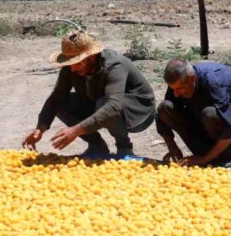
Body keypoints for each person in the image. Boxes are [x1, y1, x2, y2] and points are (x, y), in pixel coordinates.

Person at [22, 30, 156, 156]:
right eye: (70, 64)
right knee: (62, 104)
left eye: (77, 63)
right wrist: (40, 128)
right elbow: (56, 98)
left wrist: (75, 131)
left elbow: (113, 107)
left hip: (139, 112)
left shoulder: (114, 65)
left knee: (104, 103)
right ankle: (97, 145)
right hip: (100, 104)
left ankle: (124, 148)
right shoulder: (71, 67)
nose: (72, 69)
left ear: (91, 57)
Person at [156, 59, 231, 167]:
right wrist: (172, 147)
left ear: (192, 79)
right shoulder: (178, 82)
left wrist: (204, 159)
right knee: (165, 107)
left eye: (179, 89)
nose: (175, 94)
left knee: (209, 114)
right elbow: (161, 116)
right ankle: (210, 152)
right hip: (206, 123)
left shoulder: (213, 81)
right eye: (173, 89)